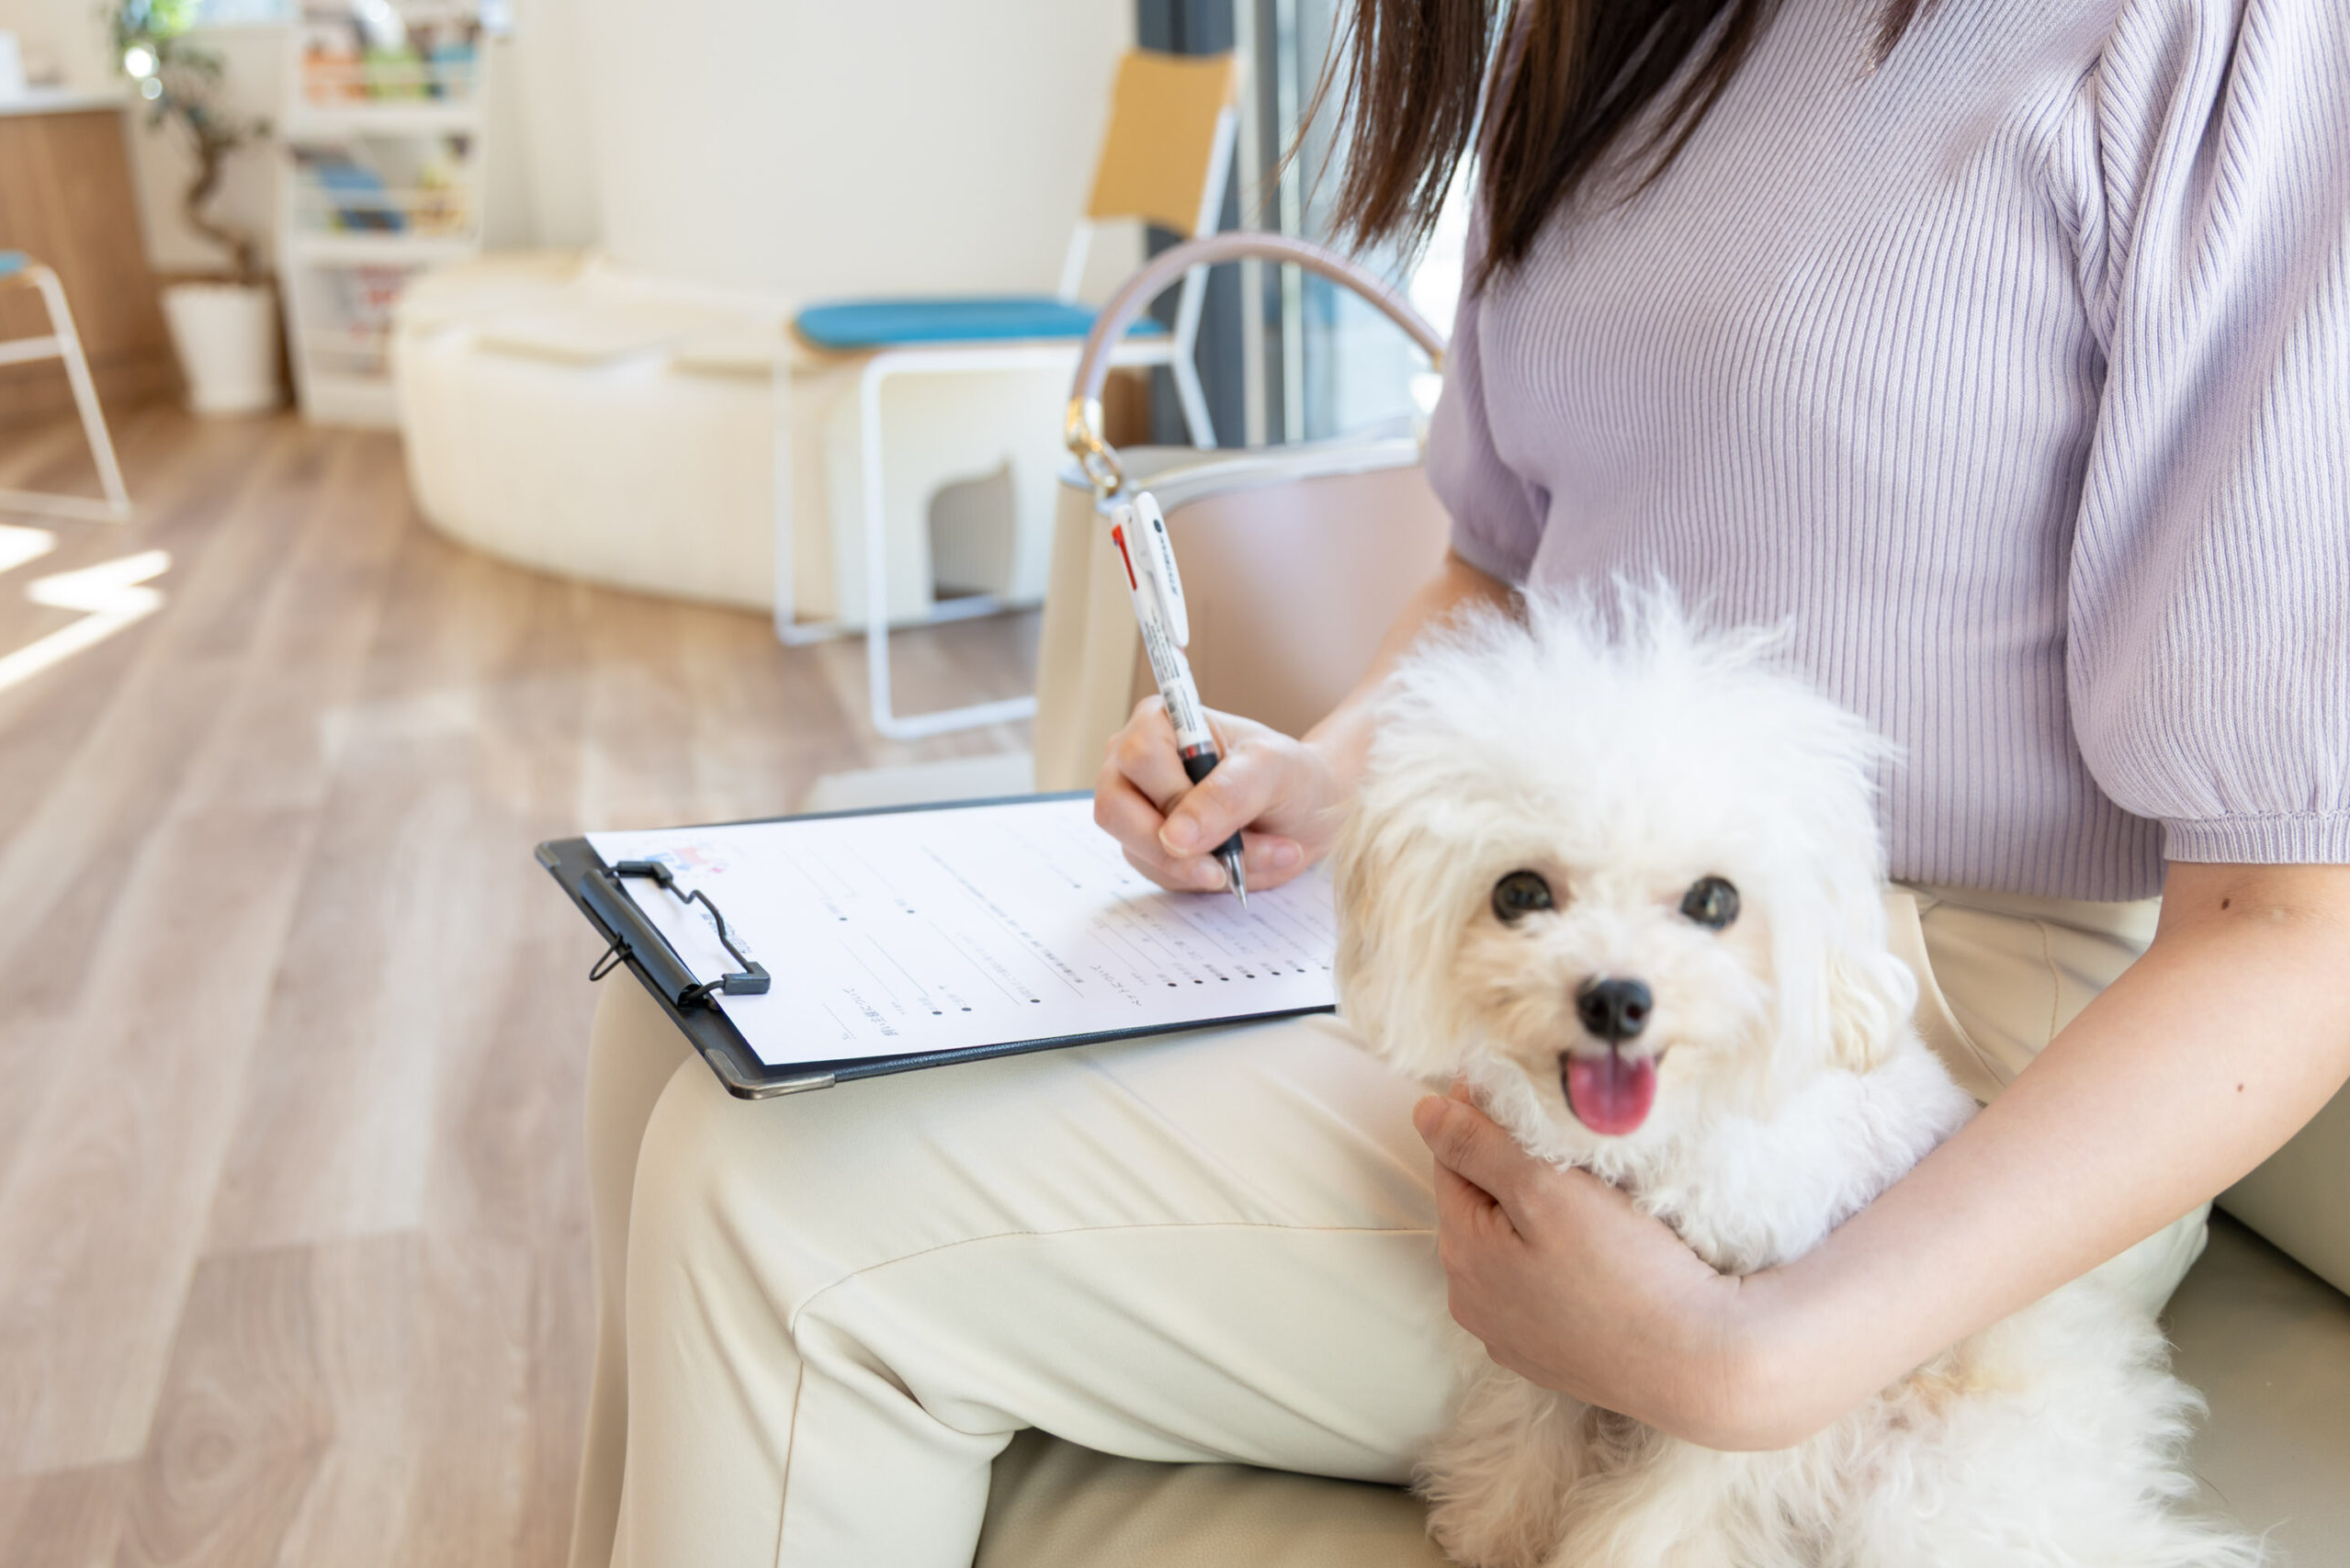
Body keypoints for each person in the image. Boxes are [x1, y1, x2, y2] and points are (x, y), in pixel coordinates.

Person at [570, 1, 2350, 1562]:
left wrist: (1766, 1349)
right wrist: (1327, 775)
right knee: (678, 1016)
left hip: (1932, 1058)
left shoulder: (2203, 37)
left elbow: (2294, 914)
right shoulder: (1593, 34)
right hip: (1547, 934)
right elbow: (1502, 566)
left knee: (783, 1217)